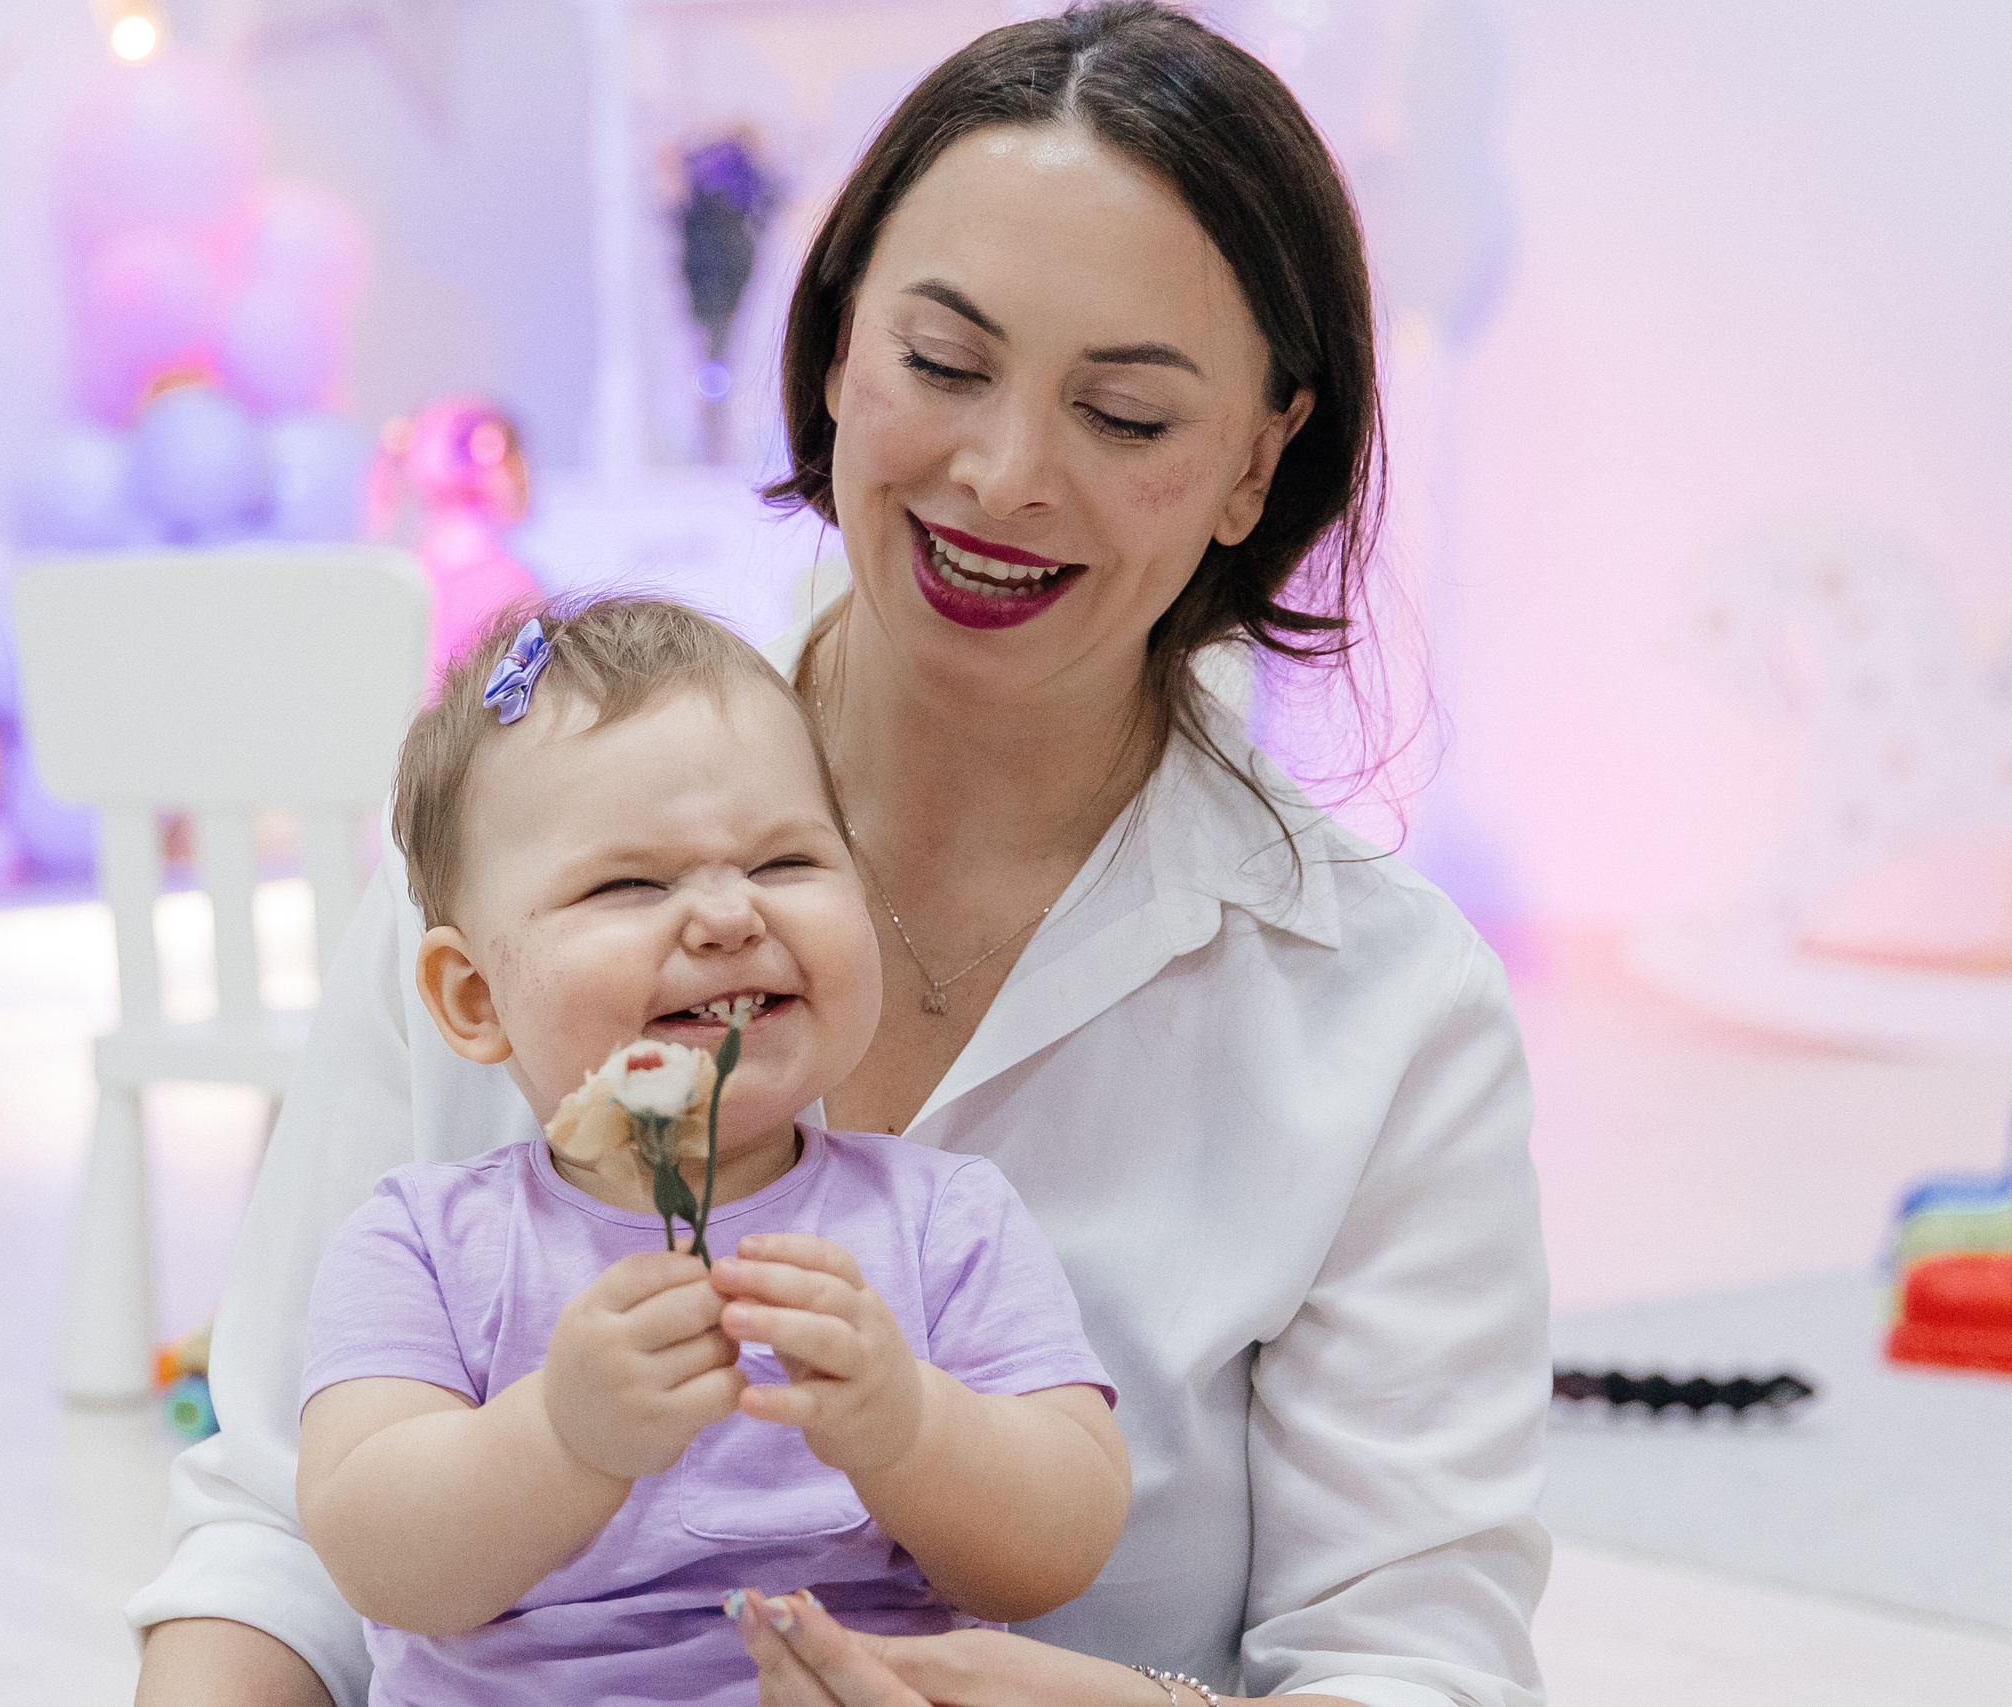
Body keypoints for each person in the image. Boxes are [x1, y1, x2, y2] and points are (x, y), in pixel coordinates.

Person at [130, 5, 1550, 1704]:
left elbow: (1413, 1657)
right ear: (832, 346)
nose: (1004, 475)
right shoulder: (513, 846)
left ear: (1257, 460)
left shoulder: (1381, 1013)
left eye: (1125, 415)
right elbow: (281, 1527)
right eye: (943, 364)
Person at [293, 599, 1128, 1704]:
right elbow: (374, 1556)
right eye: (630, 884)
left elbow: (1061, 1545)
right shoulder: (424, 1244)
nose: (730, 917)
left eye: (785, 861)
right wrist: (559, 1436)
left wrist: (911, 1428)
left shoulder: (946, 1220)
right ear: (474, 996)